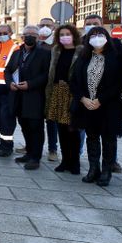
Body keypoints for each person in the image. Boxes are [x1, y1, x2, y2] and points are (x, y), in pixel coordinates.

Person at [71, 27, 122, 186]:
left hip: (108, 105)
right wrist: (82, 98)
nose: (97, 38)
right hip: (87, 105)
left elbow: (119, 82)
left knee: (108, 139)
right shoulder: (83, 57)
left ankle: (107, 171)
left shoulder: (115, 57)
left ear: (107, 37)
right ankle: (94, 169)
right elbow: (74, 81)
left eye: (100, 34)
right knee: (92, 137)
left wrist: (101, 100)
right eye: (93, 35)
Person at [4, 25, 51, 168]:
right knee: (24, 126)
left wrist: (30, 84)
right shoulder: (17, 53)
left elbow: (46, 74)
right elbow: (8, 70)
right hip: (18, 97)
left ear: (37, 37)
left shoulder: (44, 53)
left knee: (35, 128)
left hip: (34, 97)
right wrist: (10, 83)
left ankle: (35, 158)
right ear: (22, 36)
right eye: (27, 34)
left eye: (33, 34)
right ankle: (29, 153)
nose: (29, 36)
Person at [46, 24, 82, 175]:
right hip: (57, 91)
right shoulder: (56, 51)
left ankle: (75, 162)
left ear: (74, 35)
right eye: (61, 34)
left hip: (72, 93)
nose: (65, 37)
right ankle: (65, 161)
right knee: (61, 128)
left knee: (72, 128)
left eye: (68, 34)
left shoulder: (81, 51)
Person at [0, 24, 19, 155]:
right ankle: (1, 143)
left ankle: (7, 147)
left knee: (6, 118)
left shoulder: (15, 49)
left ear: (11, 33)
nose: (1, 35)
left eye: (4, 33)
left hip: (7, 89)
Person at [37, 17, 60, 163]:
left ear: (53, 28)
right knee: (35, 120)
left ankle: (53, 149)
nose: (45, 27)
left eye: (48, 25)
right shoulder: (37, 44)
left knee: (51, 120)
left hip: (51, 87)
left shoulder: (57, 45)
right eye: (42, 25)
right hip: (36, 88)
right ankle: (32, 145)